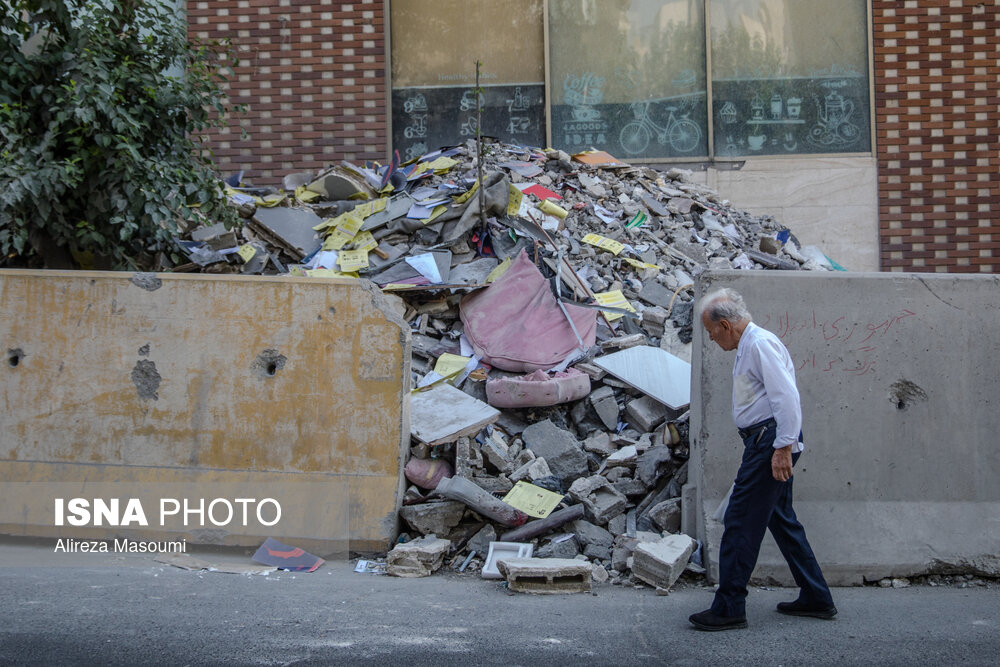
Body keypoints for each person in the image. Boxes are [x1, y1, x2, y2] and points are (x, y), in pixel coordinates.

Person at [689, 287, 836, 631]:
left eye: (711, 331)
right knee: (781, 520)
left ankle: (729, 606)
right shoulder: (749, 346)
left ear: (725, 325)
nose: (711, 338)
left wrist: (783, 448)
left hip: (769, 443)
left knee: (740, 521)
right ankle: (816, 596)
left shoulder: (759, 344)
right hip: (767, 441)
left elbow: (787, 397)